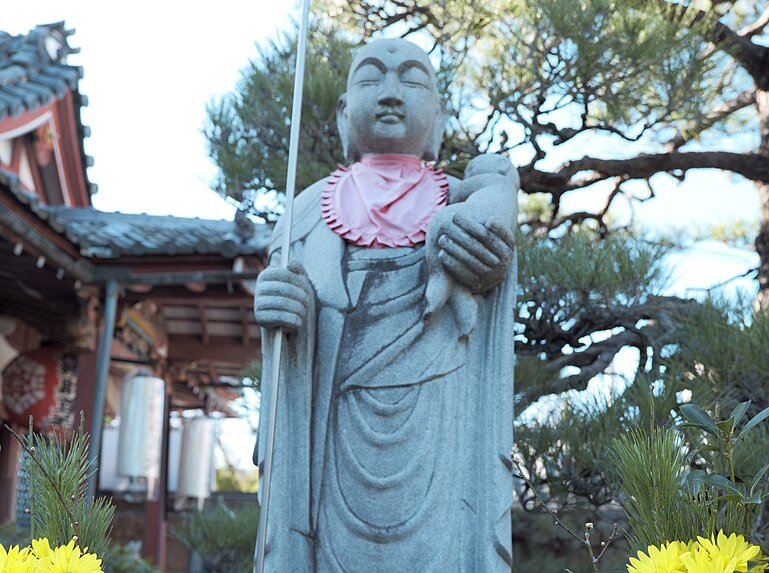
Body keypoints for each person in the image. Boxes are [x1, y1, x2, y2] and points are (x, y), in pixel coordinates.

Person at [253, 38, 517, 572]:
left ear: (439, 118)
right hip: (333, 426)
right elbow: (291, 327)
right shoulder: (305, 214)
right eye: (371, 78)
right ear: (345, 112)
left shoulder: (468, 204)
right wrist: (283, 307)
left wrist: (490, 255)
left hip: (441, 419)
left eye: (412, 80)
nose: (392, 93)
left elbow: (494, 276)